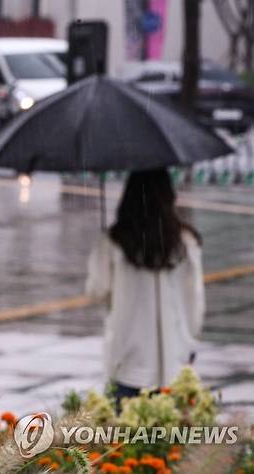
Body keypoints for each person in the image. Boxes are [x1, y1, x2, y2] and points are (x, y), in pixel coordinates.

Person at [85, 169, 205, 407]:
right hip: (175, 360)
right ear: (169, 195)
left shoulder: (115, 241)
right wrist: (189, 341)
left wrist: (99, 254)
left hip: (128, 359)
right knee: (171, 439)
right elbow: (195, 303)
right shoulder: (185, 242)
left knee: (125, 438)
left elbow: (96, 291)